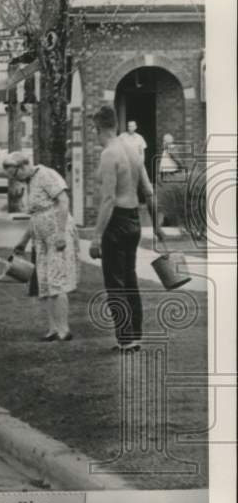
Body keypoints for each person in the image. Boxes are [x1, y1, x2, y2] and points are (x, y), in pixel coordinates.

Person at [90, 105, 165, 352]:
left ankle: (125, 339)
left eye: (95, 130)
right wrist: (156, 227)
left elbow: (109, 198)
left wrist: (96, 237)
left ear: (98, 128)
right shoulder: (133, 150)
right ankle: (134, 336)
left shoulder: (110, 153)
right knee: (130, 280)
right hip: (134, 221)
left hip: (117, 220)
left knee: (115, 283)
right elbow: (149, 190)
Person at [5, 153, 79, 342]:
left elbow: (63, 201)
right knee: (44, 282)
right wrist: (23, 242)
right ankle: (53, 329)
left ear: (22, 167)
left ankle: (64, 330)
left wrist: (61, 233)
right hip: (41, 238)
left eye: (15, 174)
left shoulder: (46, 174)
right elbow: (36, 216)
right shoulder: (29, 183)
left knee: (57, 280)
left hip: (56, 232)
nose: (14, 179)